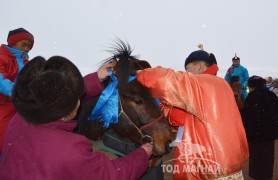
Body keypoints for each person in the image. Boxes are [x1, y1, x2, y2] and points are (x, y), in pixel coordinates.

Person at [0, 56, 153, 180]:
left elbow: (56, 95)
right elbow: (114, 174)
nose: (80, 101)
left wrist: (97, 78)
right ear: (64, 113)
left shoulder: (21, 118)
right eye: (76, 99)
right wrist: (143, 154)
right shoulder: (70, 151)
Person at [136, 50, 249, 179]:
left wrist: (140, 73)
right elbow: (180, 118)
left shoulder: (200, 83)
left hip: (208, 169)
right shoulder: (224, 85)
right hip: (232, 165)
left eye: (188, 69)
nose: (187, 74)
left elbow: (166, 80)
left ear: (200, 67)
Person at [0, 27, 34, 156]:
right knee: (3, 138)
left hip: (20, 107)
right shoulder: (2, 57)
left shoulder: (28, 63)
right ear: (12, 42)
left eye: (29, 47)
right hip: (3, 104)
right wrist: (17, 91)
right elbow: (0, 79)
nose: (26, 49)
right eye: (23, 44)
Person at [241, 76, 278, 180]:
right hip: (269, 134)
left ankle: (256, 175)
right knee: (268, 156)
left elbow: (247, 116)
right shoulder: (271, 95)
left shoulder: (251, 96)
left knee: (256, 156)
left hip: (254, 134)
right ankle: (266, 176)